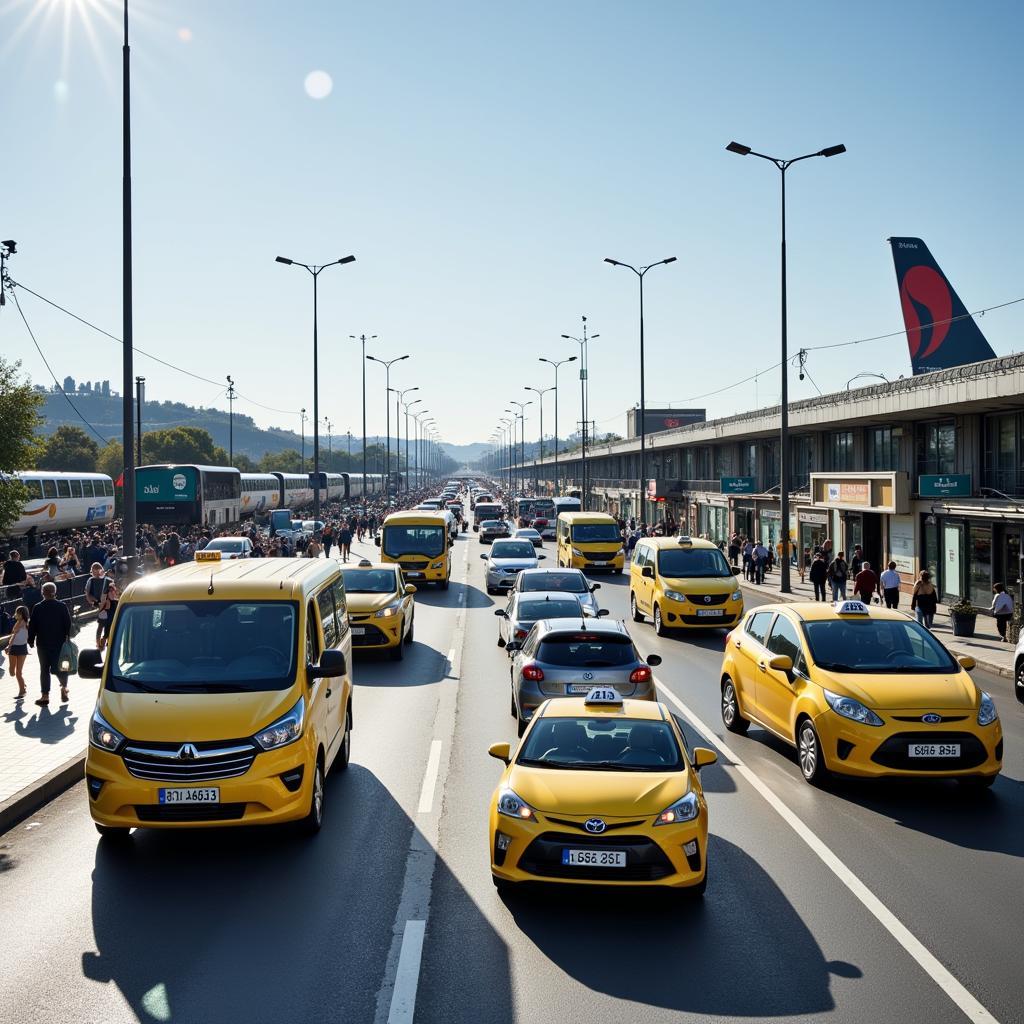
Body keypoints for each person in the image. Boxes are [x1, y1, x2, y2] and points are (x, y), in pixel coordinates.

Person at [27, 582, 73, 706]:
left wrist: (30, 640)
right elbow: (68, 624)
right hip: (59, 643)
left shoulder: (37, 607)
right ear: (55, 592)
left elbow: (32, 626)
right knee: (61, 667)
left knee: (44, 669)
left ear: (42, 593)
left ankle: (45, 695)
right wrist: (68, 638)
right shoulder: (62, 606)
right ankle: (64, 687)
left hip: (43, 643)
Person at [7, 605, 30, 700]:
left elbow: (15, 631)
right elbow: (13, 635)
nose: (16, 614)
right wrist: (9, 646)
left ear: (22, 614)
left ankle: (22, 691)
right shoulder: (18, 622)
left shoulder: (24, 622)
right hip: (13, 648)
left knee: (18, 673)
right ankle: (22, 684)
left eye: (18, 613)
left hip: (22, 649)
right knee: (11, 672)